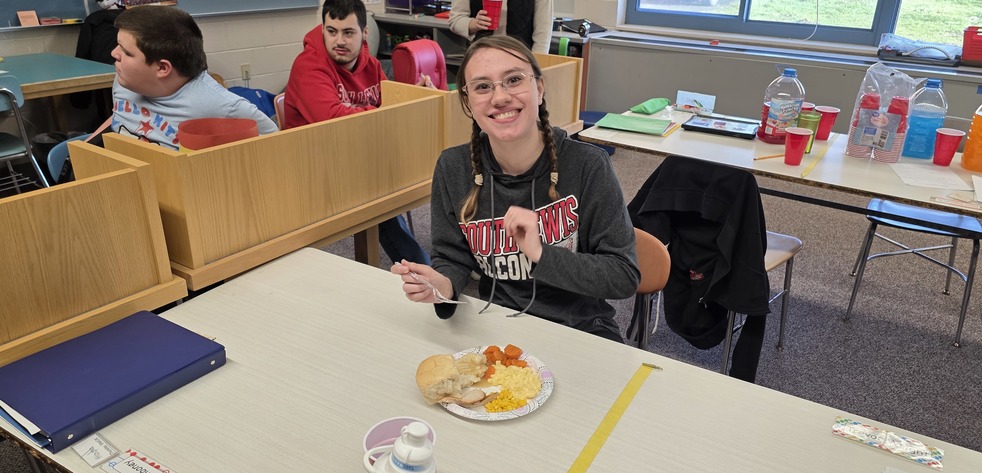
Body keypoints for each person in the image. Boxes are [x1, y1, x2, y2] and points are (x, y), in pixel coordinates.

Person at [391, 35, 639, 342]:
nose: (500, 97)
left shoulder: (588, 165)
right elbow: (452, 256)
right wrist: (442, 285)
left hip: (581, 331)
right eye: (482, 86)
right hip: (498, 329)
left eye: (513, 79)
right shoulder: (453, 168)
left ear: (539, 88)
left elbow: (623, 276)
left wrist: (539, 253)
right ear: (468, 102)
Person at [283, 0, 430, 265]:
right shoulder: (309, 66)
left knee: (436, 170)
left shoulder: (371, 65)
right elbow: (337, 122)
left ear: (364, 34)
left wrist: (414, 94)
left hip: (357, 153)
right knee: (379, 191)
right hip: (314, 166)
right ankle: (423, 268)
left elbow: (390, 105)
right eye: (331, 31)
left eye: (348, 32)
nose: (338, 40)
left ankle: (454, 259)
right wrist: (388, 111)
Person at [109, 6, 278, 150]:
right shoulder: (125, 80)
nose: (114, 54)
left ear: (162, 68)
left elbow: (276, 143)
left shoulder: (219, 105)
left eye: (127, 52)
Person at [448, 0, 553, 54]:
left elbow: (542, 35)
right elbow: (456, 19)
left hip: (521, 57)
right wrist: (474, 23)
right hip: (481, 55)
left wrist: (537, 66)